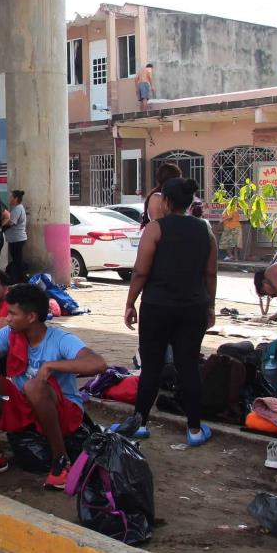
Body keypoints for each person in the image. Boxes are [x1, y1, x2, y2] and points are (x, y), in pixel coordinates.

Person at [0, 284, 109, 487]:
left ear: (31, 317)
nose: (7, 318)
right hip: (23, 405)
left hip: (62, 411)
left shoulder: (60, 339)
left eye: (12, 313)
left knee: (34, 386)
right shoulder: (10, 333)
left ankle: (61, 461)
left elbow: (98, 363)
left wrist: (52, 365)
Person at [123, 178, 218, 446]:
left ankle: (140, 423)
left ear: (165, 202)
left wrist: (130, 302)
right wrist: (210, 305)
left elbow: (141, 271)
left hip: (157, 307)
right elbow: (210, 272)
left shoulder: (155, 229)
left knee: (151, 366)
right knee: (188, 367)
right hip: (194, 307)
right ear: (189, 203)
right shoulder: (205, 231)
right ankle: (195, 429)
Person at [3, 189, 28, 282]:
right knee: (17, 259)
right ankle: (20, 278)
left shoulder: (17, 209)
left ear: (16, 198)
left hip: (17, 239)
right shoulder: (17, 208)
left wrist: (1, 226)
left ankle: (22, 280)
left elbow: (10, 223)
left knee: (18, 260)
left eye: (11, 197)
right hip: (15, 239)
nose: (9, 199)